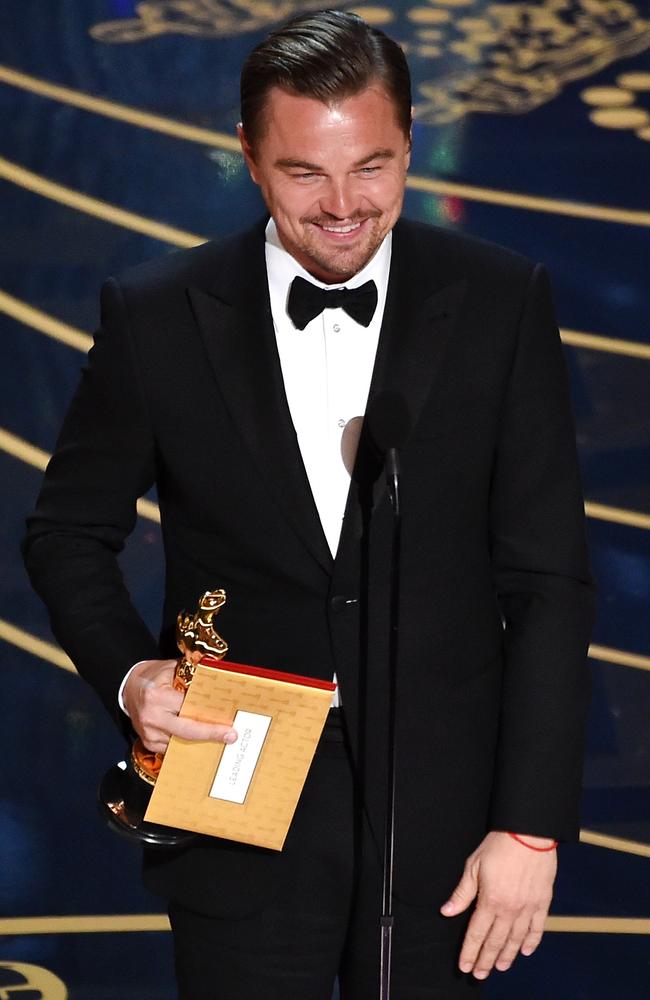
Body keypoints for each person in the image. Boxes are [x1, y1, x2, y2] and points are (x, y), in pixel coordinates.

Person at [23, 10, 594, 999]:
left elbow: (546, 580)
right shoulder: (158, 314)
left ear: (409, 145)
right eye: (304, 173)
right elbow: (67, 531)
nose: (342, 206)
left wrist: (527, 823)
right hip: (235, 813)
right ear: (248, 156)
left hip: (447, 837)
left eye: (370, 167)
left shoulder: (500, 300)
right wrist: (129, 678)